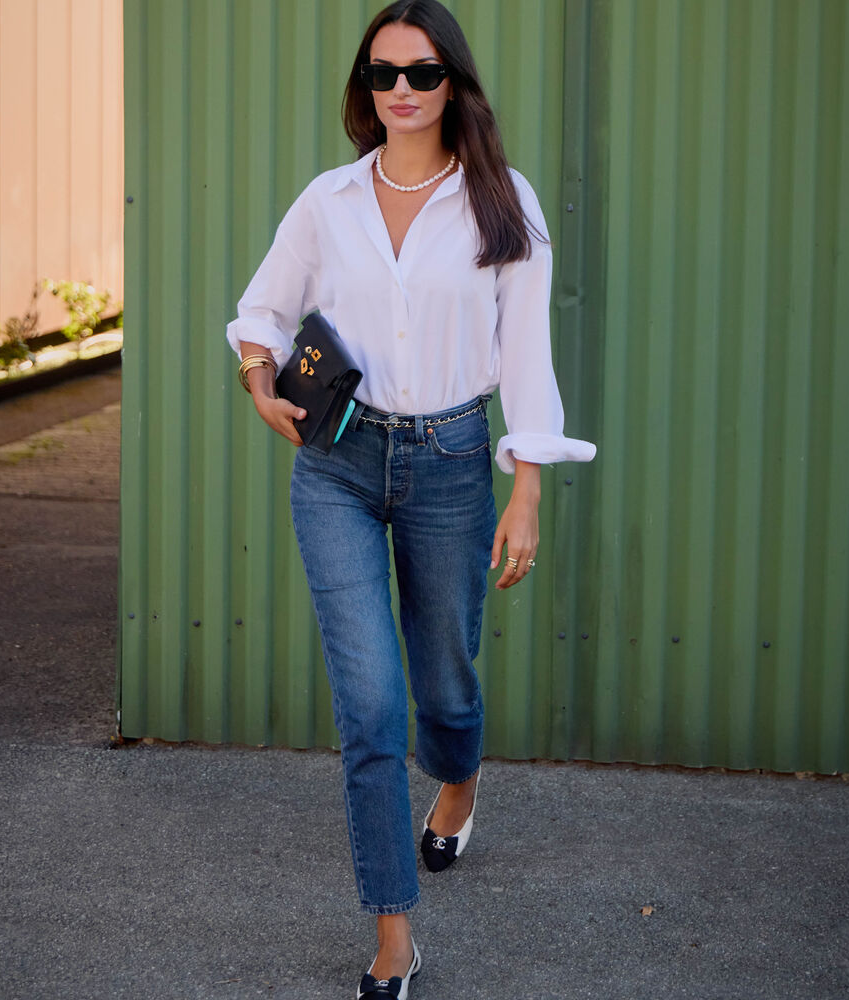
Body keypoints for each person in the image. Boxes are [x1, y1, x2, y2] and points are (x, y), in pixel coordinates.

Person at [226, 1, 595, 995]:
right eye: (383, 72)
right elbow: (261, 309)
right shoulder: (328, 200)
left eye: (421, 73)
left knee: (444, 681)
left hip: (450, 463)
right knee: (371, 706)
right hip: (336, 468)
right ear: (365, 86)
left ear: (452, 85)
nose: (400, 90)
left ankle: (462, 778)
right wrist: (260, 385)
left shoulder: (499, 202)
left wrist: (525, 494)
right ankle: (393, 933)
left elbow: (526, 358)